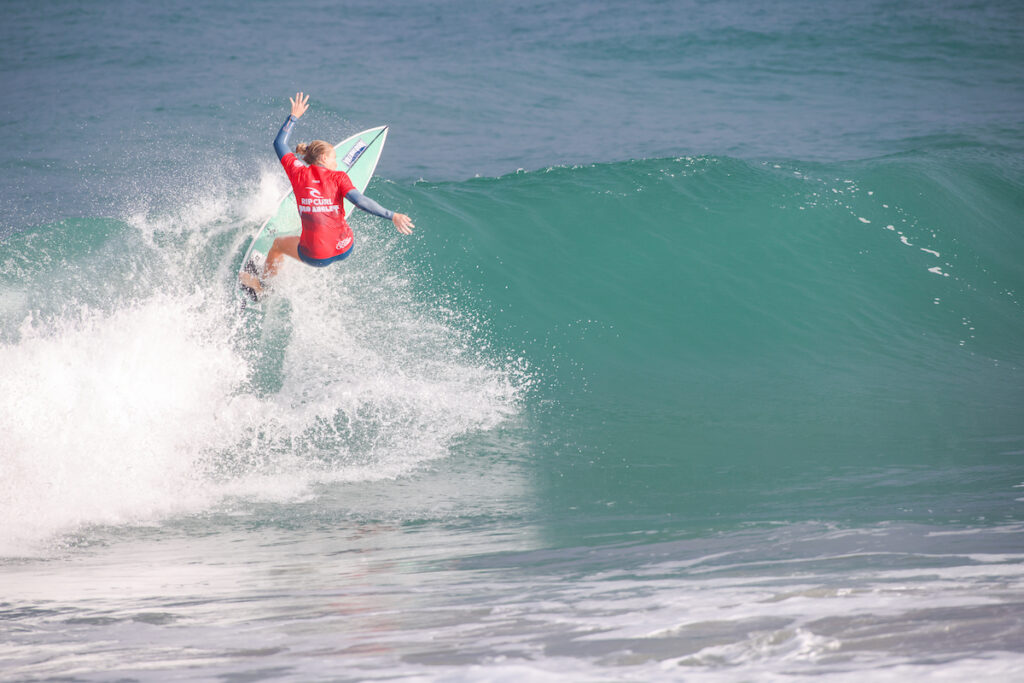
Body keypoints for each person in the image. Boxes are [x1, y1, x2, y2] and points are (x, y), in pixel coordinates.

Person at [240, 92, 414, 297]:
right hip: (346, 247)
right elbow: (360, 201)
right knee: (335, 213)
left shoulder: (297, 171)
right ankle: (326, 228)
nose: (336, 162)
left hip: (315, 257)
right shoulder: (339, 177)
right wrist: (391, 215)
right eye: (334, 158)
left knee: (278, 244)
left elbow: (279, 144)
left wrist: (293, 117)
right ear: (323, 158)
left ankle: (262, 288)